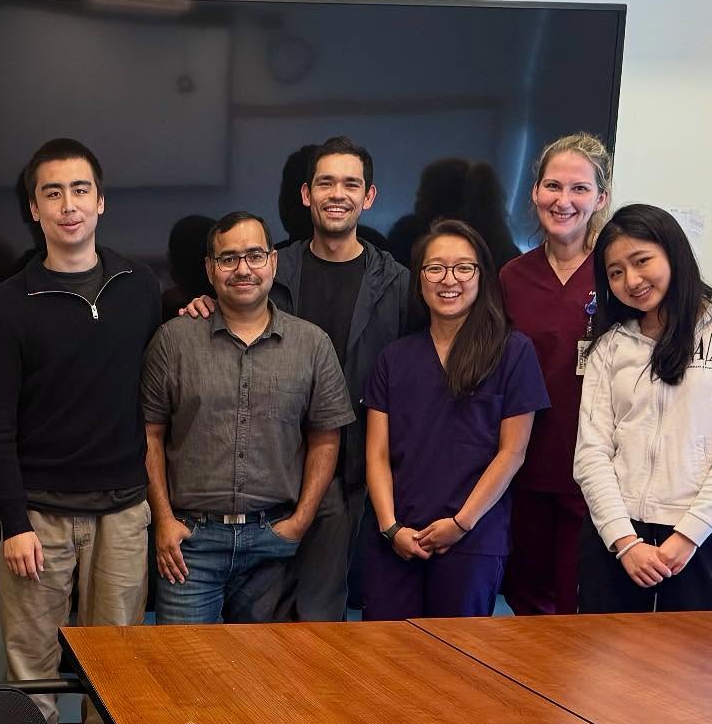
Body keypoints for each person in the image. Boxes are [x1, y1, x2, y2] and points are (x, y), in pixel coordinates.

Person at [0, 138, 161, 724]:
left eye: (80, 190)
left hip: (124, 517)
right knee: (31, 674)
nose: (68, 205)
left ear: (100, 202)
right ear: (34, 209)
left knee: (120, 672)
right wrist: (13, 522)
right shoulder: (7, 304)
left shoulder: (141, 289)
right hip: (38, 520)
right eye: (52, 193)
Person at [191, 136, 409, 619]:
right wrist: (204, 306)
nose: (338, 193)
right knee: (257, 625)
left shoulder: (397, 284)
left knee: (322, 621)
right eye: (326, 182)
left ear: (369, 197)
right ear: (306, 194)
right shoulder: (268, 266)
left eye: (351, 183)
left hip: (353, 479)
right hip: (267, 478)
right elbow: (227, 309)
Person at [143, 211, 354, 623]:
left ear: (273, 262)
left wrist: (298, 523)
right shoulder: (174, 340)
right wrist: (164, 521)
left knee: (261, 680)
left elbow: (326, 438)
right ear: (210, 268)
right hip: (190, 545)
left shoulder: (312, 344)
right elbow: (150, 434)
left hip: (272, 545)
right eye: (228, 258)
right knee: (181, 676)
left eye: (255, 256)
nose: (243, 269)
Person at [574, 204, 712, 613]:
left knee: (701, 673)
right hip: (617, 536)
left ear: (673, 252)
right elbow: (591, 454)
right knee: (604, 673)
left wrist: (687, 535)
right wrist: (625, 541)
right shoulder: (610, 347)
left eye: (641, 260)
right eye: (615, 272)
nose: (631, 280)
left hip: (701, 535)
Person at [362, 219, 549, 620]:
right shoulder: (394, 358)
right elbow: (376, 454)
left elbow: (512, 452)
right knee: (382, 665)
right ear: (419, 279)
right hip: (398, 539)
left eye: (464, 267)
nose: (450, 279)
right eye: (435, 268)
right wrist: (391, 528)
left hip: (473, 539)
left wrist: (461, 523)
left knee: (458, 670)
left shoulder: (513, 352)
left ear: (482, 274)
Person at [498, 133, 612, 614]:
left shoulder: (617, 276)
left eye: (579, 189)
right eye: (552, 186)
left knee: (578, 604)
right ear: (534, 193)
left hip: (598, 472)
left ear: (601, 198)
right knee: (525, 601)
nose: (563, 201)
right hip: (522, 468)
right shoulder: (510, 278)